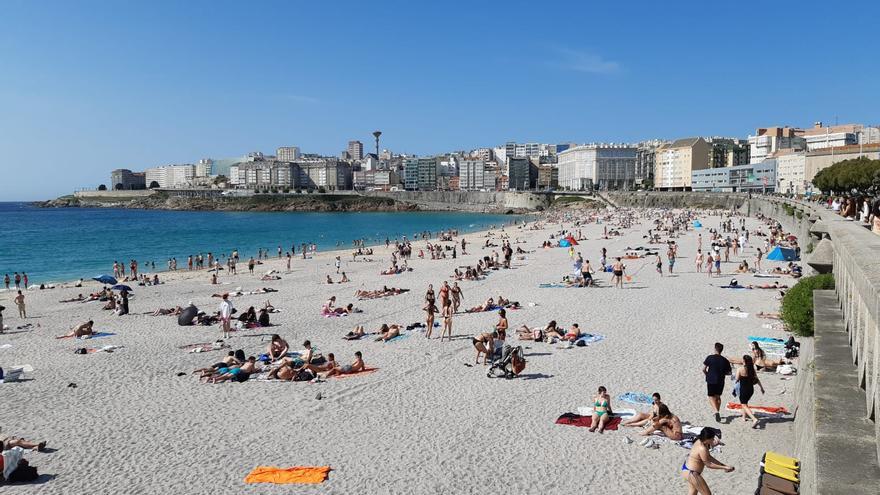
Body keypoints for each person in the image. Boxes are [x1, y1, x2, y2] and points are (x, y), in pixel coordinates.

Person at [681, 427, 734, 495]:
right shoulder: (702, 448)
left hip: (688, 470)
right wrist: (724, 468)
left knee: (692, 493)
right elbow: (709, 465)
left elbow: (708, 457)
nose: (713, 440)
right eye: (712, 438)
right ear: (707, 439)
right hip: (692, 473)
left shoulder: (700, 441)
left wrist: (723, 465)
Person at [703, 342, 732, 422]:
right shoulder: (725, 360)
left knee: (710, 396)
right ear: (721, 350)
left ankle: (716, 411)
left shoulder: (710, 357)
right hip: (720, 380)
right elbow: (729, 373)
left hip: (711, 379)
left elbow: (703, 369)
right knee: (718, 396)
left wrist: (707, 375)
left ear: (715, 349)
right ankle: (717, 412)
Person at [735, 354, 765, 428]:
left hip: (743, 389)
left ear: (744, 361)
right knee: (745, 403)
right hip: (751, 390)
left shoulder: (740, 369)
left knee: (744, 404)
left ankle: (754, 419)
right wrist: (761, 388)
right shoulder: (752, 369)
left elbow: (736, 379)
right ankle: (744, 417)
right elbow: (757, 379)